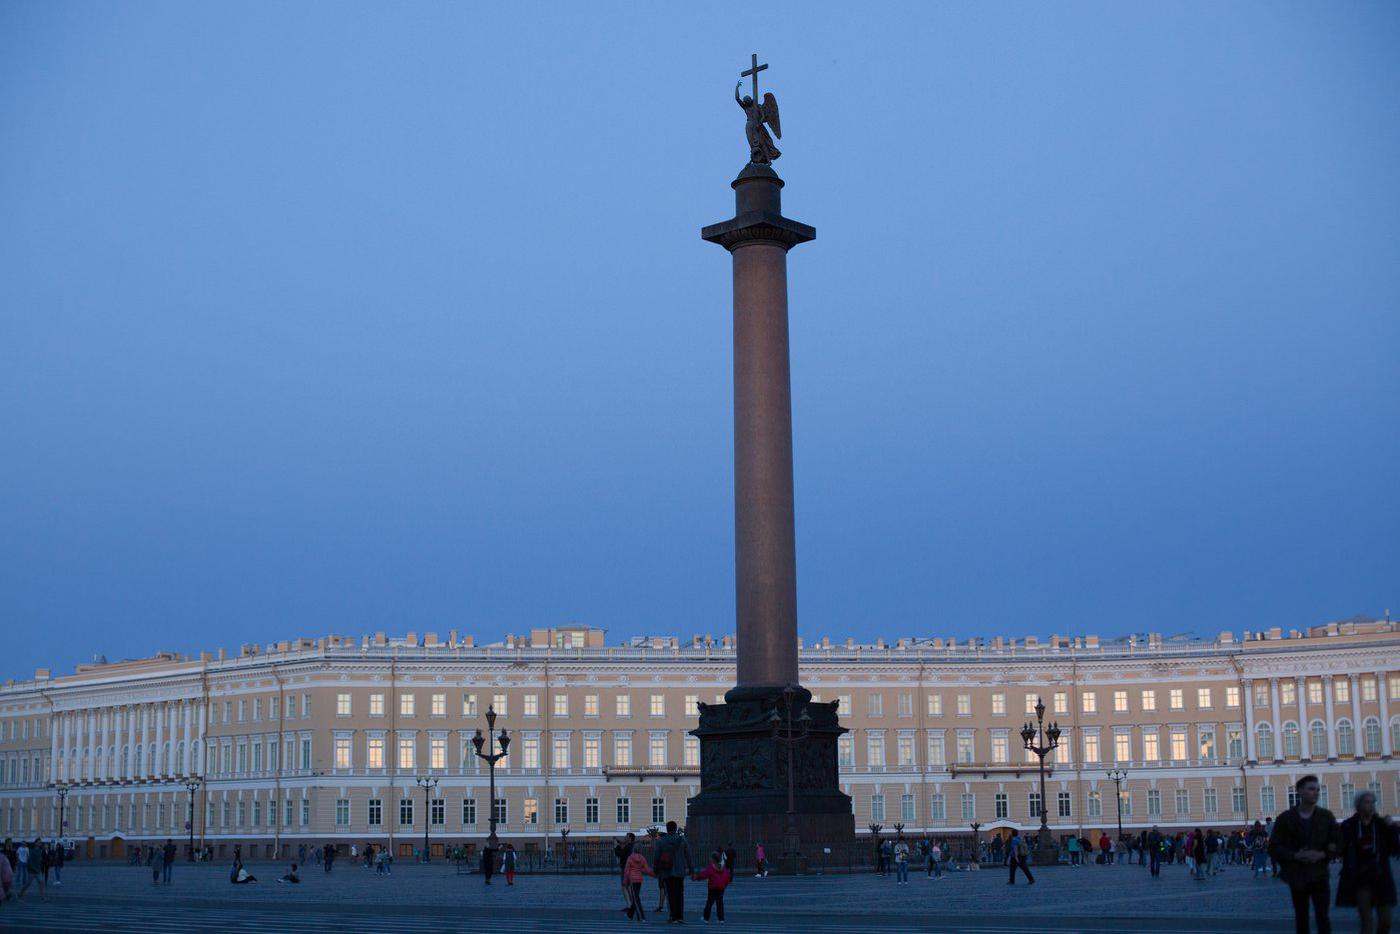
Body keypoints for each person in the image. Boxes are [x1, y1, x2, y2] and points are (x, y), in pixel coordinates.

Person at [1270, 774, 1341, 934]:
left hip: (1320, 875)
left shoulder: (1326, 817)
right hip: (1297, 876)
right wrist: (1295, 856)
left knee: (1323, 917)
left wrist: (1322, 854)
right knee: (1301, 918)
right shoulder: (1286, 819)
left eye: (1317, 790)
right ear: (1300, 791)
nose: (1315, 793)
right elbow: (1274, 847)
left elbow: (1339, 842)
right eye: (1311, 789)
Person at [1336, 790, 1398, 934]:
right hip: (1360, 878)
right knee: (1366, 920)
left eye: (1372, 802)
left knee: (1386, 921)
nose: (1371, 806)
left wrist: (1393, 828)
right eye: (1367, 802)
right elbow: (1340, 849)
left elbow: (1395, 848)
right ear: (1358, 805)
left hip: (1381, 876)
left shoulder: (1381, 824)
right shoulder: (1349, 825)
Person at [653, 819, 692, 924]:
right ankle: (680, 916)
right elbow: (688, 856)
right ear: (675, 829)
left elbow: (656, 856)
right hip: (680, 871)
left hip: (667, 871)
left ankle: (673, 916)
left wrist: (655, 869)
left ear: (667, 828)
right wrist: (691, 869)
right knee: (680, 894)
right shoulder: (682, 840)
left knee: (670, 894)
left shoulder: (661, 841)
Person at [693, 850, 732, 924]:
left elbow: (704, 875)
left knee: (709, 903)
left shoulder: (711, 868)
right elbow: (727, 877)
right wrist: (724, 885)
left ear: (713, 859)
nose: (710, 859)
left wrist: (696, 878)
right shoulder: (723, 868)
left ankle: (706, 918)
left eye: (711, 858)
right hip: (721, 888)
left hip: (712, 887)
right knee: (720, 903)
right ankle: (721, 919)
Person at [622, 845, 655, 922]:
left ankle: (641, 916)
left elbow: (627, 871)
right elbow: (647, 870)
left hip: (632, 880)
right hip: (639, 880)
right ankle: (629, 914)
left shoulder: (630, 858)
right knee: (635, 897)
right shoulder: (642, 858)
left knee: (636, 899)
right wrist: (654, 875)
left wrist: (625, 881)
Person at [614, 833, 636, 911]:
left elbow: (620, 854)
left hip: (626, 868)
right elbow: (623, 851)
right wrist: (620, 844)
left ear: (630, 838)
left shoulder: (628, 847)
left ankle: (629, 905)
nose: (625, 838)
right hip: (630, 868)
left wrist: (616, 846)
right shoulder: (631, 846)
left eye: (626, 837)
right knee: (628, 886)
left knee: (624, 887)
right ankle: (632, 904)